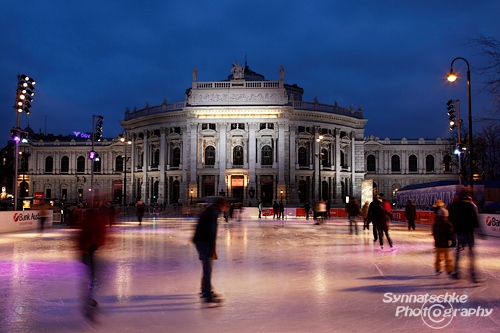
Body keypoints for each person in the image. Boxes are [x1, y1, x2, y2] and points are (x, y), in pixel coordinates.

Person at [193, 197, 230, 303]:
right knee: (207, 268)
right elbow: (211, 231)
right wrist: (212, 248)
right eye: (226, 207)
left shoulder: (210, 210)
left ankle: (205, 288)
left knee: (206, 266)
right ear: (221, 205)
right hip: (203, 241)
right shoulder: (213, 213)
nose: (226, 210)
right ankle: (207, 293)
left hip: (200, 240)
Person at [78, 205, 107, 317]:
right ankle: (88, 299)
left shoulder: (88, 221)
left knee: (91, 276)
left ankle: (88, 298)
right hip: (90, 251)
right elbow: (99, 233)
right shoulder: (94, 221)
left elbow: (82, 236)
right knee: (92, 276)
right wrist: (96, 244)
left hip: (87, 251)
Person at [449, 187, 481, 282]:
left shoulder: (457, 205)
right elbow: (475, 220)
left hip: (460, 232)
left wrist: (454, 228)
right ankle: (473, 275)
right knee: (470, 255)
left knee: (459, 253)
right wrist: (479, 231)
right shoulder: (471, 206)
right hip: (468, 233)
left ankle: (457, 272)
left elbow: (451, 216)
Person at [432, 199, 455, 276]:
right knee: (447, 257)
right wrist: (452, 240)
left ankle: (437, 268)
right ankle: (449, 269)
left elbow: (434, 232)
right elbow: (450, 233)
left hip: (438, 243)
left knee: (438, 257)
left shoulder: (436, 223)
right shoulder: (448, 224)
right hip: (445, 243)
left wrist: (435, 239)